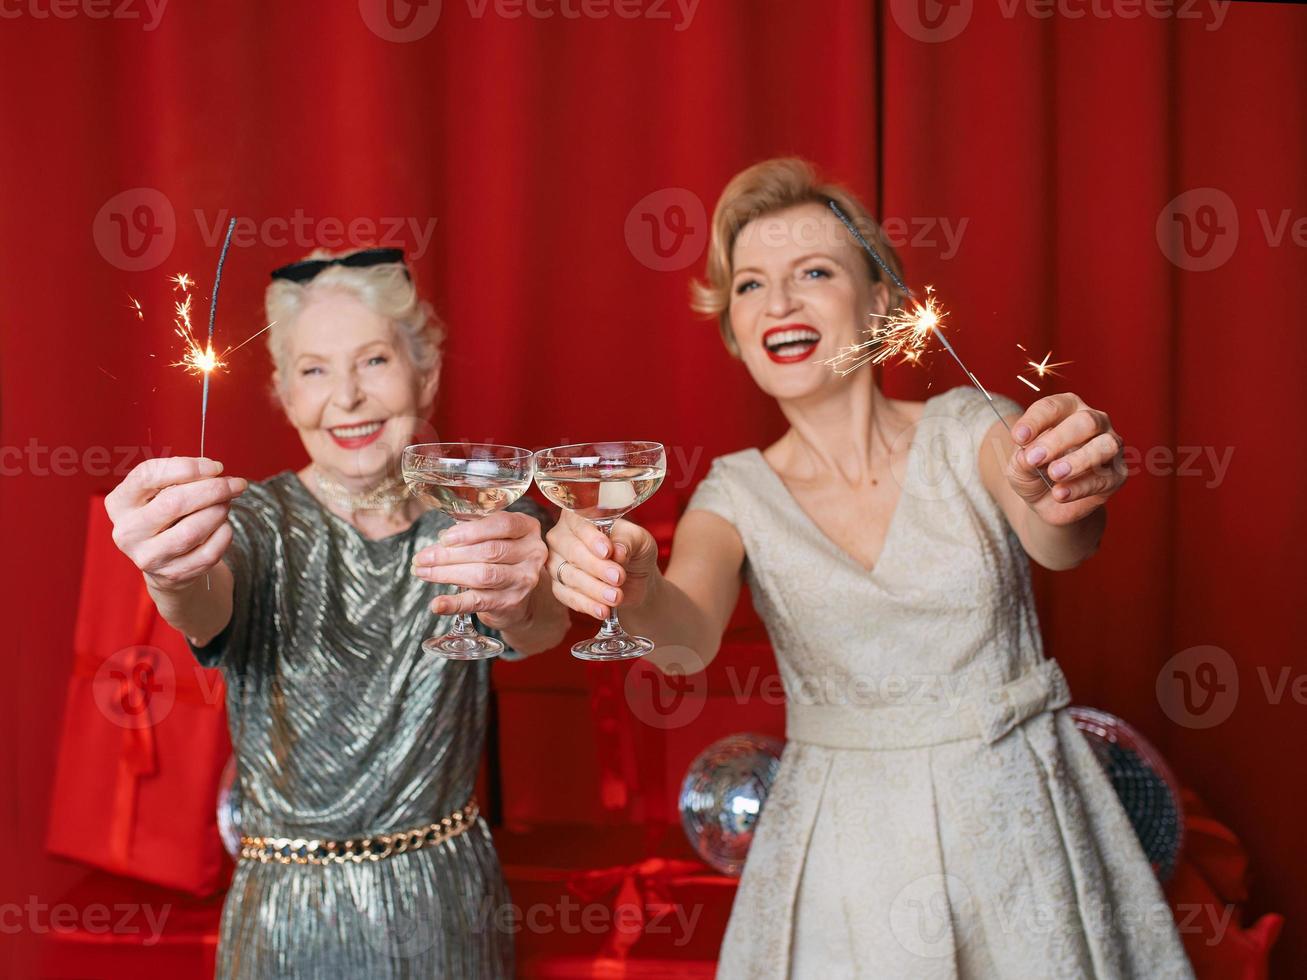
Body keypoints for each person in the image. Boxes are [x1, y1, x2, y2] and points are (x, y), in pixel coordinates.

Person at [543, 160, 1194, 978]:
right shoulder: (734, 490)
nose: (778, 302)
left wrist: (1067, 490)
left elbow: (1059, 536)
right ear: (732, 332)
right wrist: (635, 588)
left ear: (881, 302)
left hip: (1020, 825)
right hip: (841, 855)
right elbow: (685, 641)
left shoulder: (974, 423)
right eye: (750, 286)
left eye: (813, 272)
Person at [105, 247, 568, 978]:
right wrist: (168, 571)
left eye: (374, 361)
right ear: (285, 394)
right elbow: (199, 601)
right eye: (314, 370)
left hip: (446, 907)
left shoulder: (483, 511)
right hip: (287, 918)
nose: (346, 397)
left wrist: (523, 599)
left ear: (427, 374)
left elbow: (540, 628)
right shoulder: (252, 522)